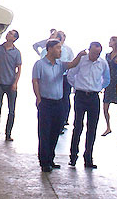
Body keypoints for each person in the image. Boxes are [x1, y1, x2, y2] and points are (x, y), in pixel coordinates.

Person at [32, 40, 85, 172]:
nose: (60, 51)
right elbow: (35, 81)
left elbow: (72, 64)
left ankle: (51, 158)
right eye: (58, 48)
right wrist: (38, 98)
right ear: (49, 49)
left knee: (55, 131)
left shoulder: (60, 65)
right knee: (45, 132)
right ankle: (44, 161)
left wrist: (79, 55)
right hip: (45, 102)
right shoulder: (39, 64)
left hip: (58, 102)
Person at [67, 41, 109, 169]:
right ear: (89, 50)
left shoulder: (102, 63)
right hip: (80, 96)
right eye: (94, 52)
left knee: (92, 127)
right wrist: (77, 86)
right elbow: (70, 75)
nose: (96, 55)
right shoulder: (81, 60)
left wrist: (98, 87)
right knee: (78, 125)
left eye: (98, 53)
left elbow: (106, 79)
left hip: (94, 97)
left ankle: (88, 157)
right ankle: (73, 156)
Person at [0, 29, 22, 141]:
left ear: (15, 39)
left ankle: (8, 134)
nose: (8, 34)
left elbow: (19, 69)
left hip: (10, 84)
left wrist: (15, 83)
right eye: (8, 33)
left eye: (11, 34)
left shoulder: (16, 53)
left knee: (11, 110)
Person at [102, 36, 117, 140]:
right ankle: (108, 127)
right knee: (105, 106)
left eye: (111, 41)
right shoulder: (107, 55)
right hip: (109, 82)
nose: (109, 42)